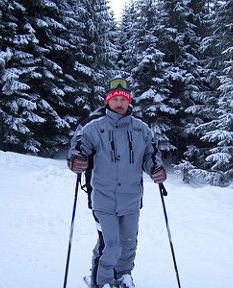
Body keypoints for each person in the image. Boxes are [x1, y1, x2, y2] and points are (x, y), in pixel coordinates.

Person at [67, 77, 167, 288]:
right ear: (108, 101)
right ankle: (101, 282)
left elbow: (151, 154)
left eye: (123, 99)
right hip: (102, 198)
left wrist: (155, 168)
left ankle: (123, 276)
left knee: (129, 243)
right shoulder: (93, 126)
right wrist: (78, 160)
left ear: (129, 101)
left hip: (131, 199)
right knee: (110, 244)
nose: (119, 104)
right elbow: (77, 148)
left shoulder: (141, 128)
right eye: (115, 99)